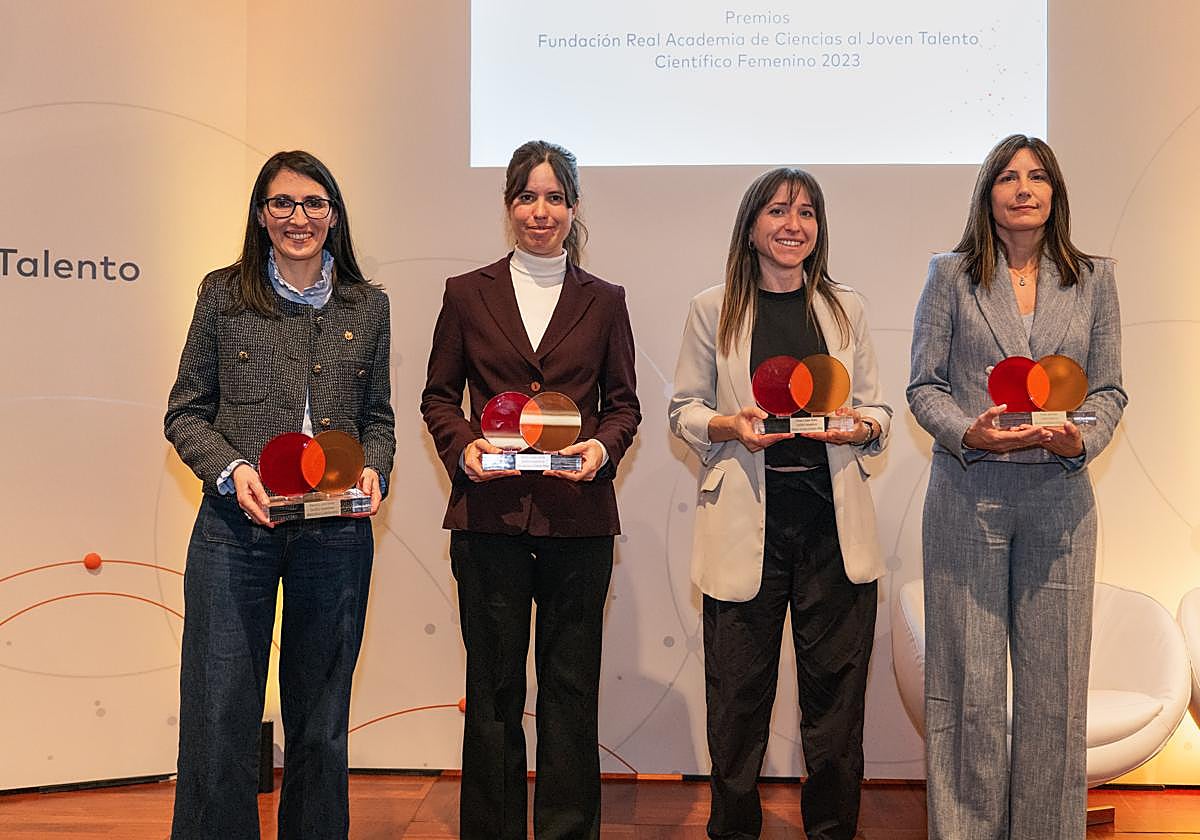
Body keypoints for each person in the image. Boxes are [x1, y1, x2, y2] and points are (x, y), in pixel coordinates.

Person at [164, 150, 394, 840]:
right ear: (261, 217)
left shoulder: (368, 304)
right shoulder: (223, 295)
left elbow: (376, 419)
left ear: (334, 215)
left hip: (335, 534)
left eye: (314, 203)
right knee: (221, 714)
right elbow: (184, 412)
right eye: (283, 204)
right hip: (236, 533)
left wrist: (375, 467)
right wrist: (232, 470)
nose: (299, 218)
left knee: (321, 721)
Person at [907, 134, 1127, 840]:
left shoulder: (1094, 277)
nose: (1023, 188)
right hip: (970, 496)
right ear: (988, 192)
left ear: (1055, 192)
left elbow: (1112, 390)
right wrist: (969, 431)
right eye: (1008, 177)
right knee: (969, 692)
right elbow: (924, 386)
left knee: (1054, 696)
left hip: (1061, 501)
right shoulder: (950, 275)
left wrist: (1082, 437)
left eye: (1037, 177)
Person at [420, 140, 640, 839]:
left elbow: (625, 405)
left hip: (579, 522)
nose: (539, 211)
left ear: (573, 208)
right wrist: (465, 448)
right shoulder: (465, 292)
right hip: (489, 518)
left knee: (571, 693)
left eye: (553, 197)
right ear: (508, 205)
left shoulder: (605, 301)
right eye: (526, 196)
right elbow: (437, 398)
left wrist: (601, 449)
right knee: (491, 692)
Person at [669, 167, 891, 840]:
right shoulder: (714, 307)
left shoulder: (845, 308)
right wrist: (729, 426)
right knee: (738, 702)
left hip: (831, 523)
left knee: (836, 707)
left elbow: (877, 408)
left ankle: (831, 831)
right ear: (751, 225)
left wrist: (864, 425)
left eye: (806, 213)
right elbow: (683, 411)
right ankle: (733, 829)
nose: (792, 225)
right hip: (747, 521)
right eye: (777, 211)